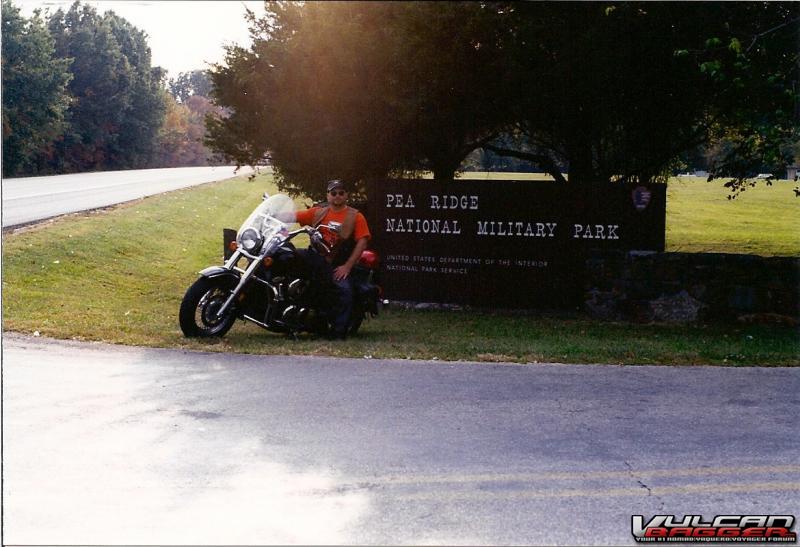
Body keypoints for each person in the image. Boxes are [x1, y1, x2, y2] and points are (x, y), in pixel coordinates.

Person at [295, 180, 371, 339]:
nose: (337, 196)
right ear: (327, 195)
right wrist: (273, 215)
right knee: (286, 258)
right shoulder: (318, 212)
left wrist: (347, 266)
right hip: (316, 258)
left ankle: (338, 331)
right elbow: (293, 216)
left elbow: (363, 241)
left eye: (341, 193)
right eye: (333, 193)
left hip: (336, 263)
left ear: (346, 195)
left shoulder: (355, 216)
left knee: (344, 290)